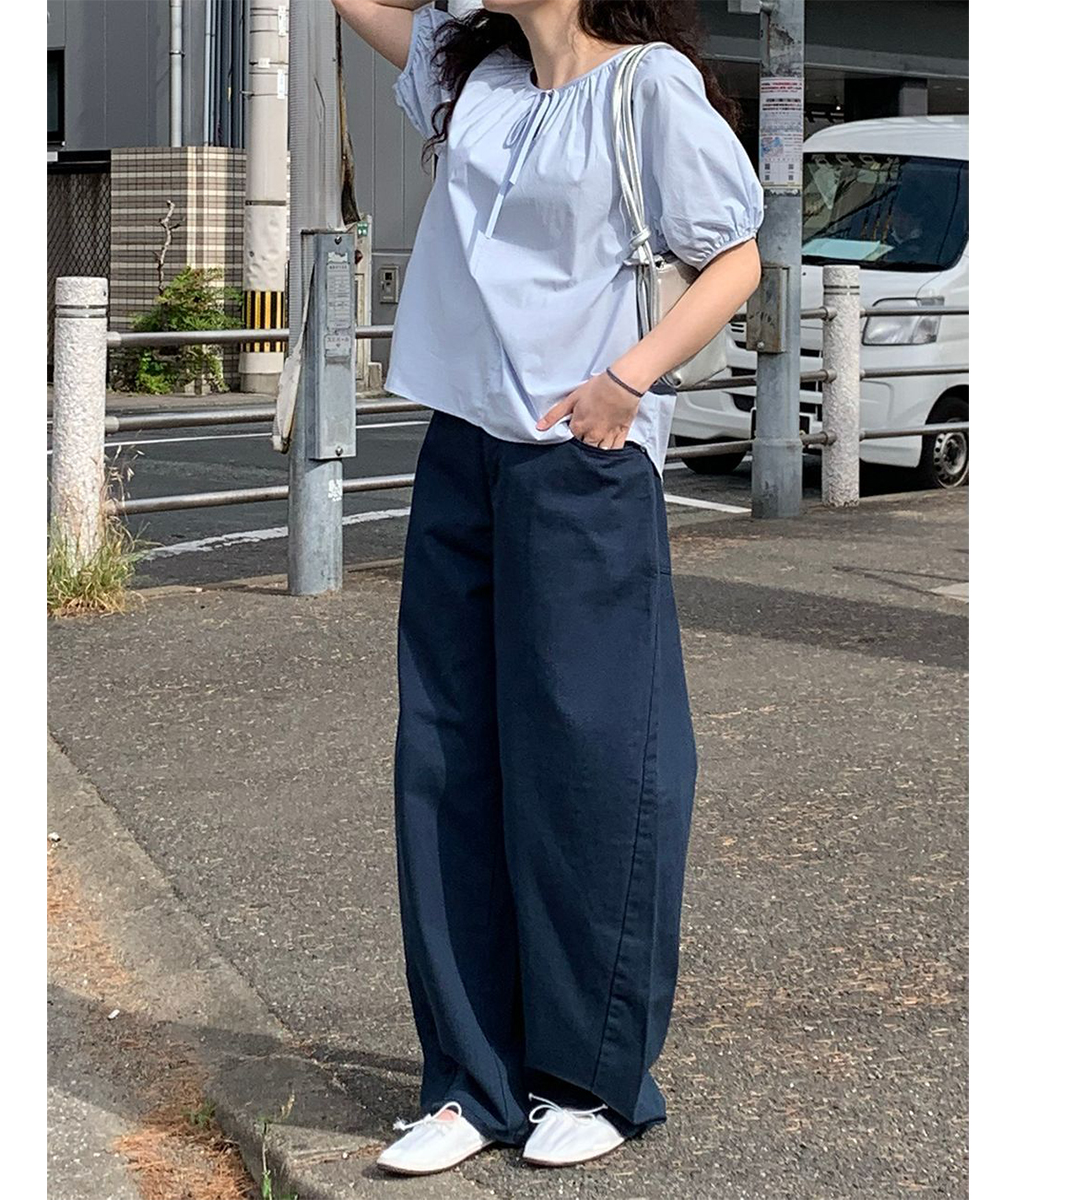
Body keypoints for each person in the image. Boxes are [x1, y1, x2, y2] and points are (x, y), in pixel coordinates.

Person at [332, 0, 764, 1175]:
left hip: (584, 458)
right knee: (446, 757)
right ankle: (472, 1083)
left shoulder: (647, 87)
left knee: (593, 763)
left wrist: (628, 381)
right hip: (462, 449)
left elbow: (734, 257)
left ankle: (591, 1079)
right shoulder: (478, 79)